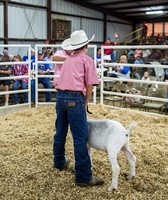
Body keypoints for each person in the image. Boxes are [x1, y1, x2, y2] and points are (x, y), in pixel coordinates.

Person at [53, 30, 104, 187]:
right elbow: (89, 86)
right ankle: (83, 176)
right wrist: (86, 103)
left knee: (60, 131)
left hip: (60, 97)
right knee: (80, 137)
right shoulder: (87, 60)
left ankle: (59, 161)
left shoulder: (68, 59)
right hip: (75, 99)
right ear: (86, 45)